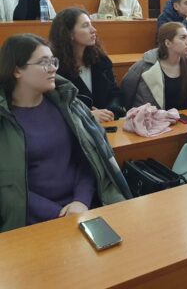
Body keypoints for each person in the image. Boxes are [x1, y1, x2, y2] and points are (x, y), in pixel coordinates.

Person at [0, 33, 131, 232]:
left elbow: (88, 160)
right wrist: (59, 213)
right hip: (30, 222)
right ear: (17, 70)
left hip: (83, 208)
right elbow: (9, 187)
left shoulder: (68, 106)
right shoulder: (5, 119)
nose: (53, 68)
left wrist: (81, 201)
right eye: (43, 62)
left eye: (53, 61)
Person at [49, 7, 125, 122]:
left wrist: (110, 111)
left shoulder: (101, 60)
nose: (93, 30)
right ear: (69, 34)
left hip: (107, 124)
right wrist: (87, 115)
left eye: (91, 24)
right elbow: (55, 108)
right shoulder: (55, 68)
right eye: (85, 26)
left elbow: (115, 93)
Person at [121, 22, 187, 110]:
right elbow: (126, 94)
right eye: (183, 38)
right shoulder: (144, 67)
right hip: (156, 118)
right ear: (168, 43)